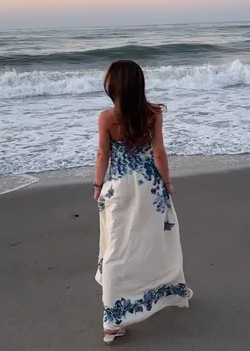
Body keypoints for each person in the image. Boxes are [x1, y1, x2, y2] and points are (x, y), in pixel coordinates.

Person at [93, 60, 192, 344]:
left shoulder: (106, 118)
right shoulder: (154, 114)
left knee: (116, 247)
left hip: (118, 189)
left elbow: (103, 155)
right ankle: (170, 291)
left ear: (113, 87)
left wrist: (98, 187)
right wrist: (168, 183)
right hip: (149, 187)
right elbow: (159, 153)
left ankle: (112, 322)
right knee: (158, 240)